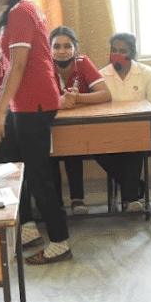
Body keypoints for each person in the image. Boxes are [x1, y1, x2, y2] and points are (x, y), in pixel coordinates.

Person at [0, 0, 72, 264]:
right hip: (23, 103)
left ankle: (60, 242)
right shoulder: (22, 9)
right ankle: (28, 227)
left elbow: (18, 66)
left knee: (38, 174)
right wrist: (3, 105)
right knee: (6, 163)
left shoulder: (21, 12)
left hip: (33, 103)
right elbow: (13, 66)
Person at [95, 32, 151, 212]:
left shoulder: (147, 73)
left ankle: (130, 198)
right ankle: (133, 189)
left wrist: (134, 125)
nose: (117, 54)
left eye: (122, 51)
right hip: (112, 129)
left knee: (136, 142)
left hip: (146, 127)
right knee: (92, 145)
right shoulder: (101, 76)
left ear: (132, 53)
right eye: (114, 50)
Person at [49, 26, 108, 213]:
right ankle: (55, 204)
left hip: (74, 125)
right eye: (56, 46)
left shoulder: (82, 62)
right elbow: (32, 99)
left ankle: (77, 200)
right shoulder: (42, 65)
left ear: (75, 48)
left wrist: (79, 98)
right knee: (49, 155)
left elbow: (106, 94)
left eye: (67, 46)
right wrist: (59, 103)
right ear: (49, 48)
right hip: (48, 124)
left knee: (73, 149)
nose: (62, 51)